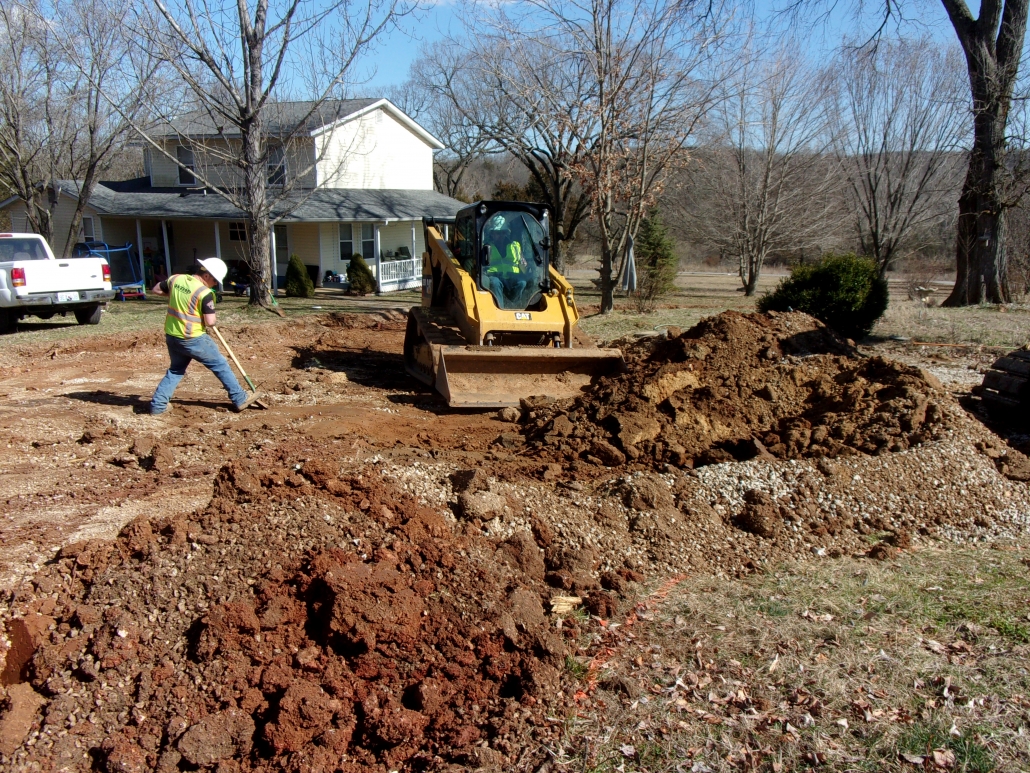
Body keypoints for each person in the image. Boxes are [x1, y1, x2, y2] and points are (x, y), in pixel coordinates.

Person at [149, 257, 262, 415]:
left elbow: (156, 290)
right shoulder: (204, 293)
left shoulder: (176, 279)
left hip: (173, 336)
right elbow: (210, 322)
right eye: (215, 280)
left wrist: (176, 298)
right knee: (220, 364)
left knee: (176, 370)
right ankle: (240, 397)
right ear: (207, 275)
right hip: (192, 338)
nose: (216, 284)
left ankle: (158, 406)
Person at [484, 225, 528, 304]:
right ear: (492, 234)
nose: (501, 235)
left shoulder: (515, 246)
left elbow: (523, 263)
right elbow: (482, 265)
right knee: (495, 283)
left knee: (522, 283)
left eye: (503, 232)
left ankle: (513, 305)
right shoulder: (487, 247)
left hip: (512, 276)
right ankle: (499, 308)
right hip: (495, 276)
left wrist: (526, 269)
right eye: (498, 233)